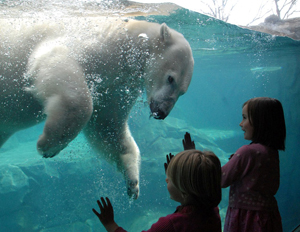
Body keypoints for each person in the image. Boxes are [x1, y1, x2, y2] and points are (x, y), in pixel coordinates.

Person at [92, 144, 222, 232]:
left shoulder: (171, 225)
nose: (166, 179)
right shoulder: (212, 211)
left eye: (170, 179)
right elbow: (199, 182)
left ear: (184, 190)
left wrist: (110, 224)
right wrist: (181, 174)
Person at [221, 97, 286, 232]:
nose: (240, 123)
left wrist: (193, 160)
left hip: (246, 219)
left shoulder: (248, 152)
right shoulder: (270, 152)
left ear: (260, 122)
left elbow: (220, 179)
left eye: (244, 118)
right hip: (269, 217)